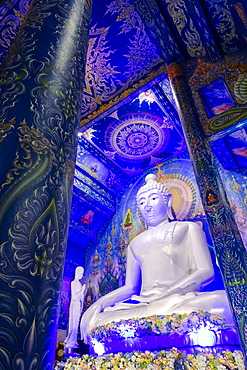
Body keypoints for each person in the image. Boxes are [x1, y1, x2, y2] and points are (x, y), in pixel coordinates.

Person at [80, 174, 234, 343]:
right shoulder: (135, 243)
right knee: (99, 320)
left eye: (153, 198)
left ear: (167, 201)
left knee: (221, 303)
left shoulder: (187, 228)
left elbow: (206, 272)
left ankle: (150, 329)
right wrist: (98, 304)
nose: (147, 206)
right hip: (145, 305)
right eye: (142, 202)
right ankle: (160, 327)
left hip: (180, 301)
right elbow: (130, 288)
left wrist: (171, 292)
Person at [65, 266, 85, 350]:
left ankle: (74, 341)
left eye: (82, 274)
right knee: (73, 323)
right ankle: (71, 341)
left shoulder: (80, 284)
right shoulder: (74, 283)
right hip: (74, 304)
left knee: (76, 324)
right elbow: (74, 296)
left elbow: (81, 298)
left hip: (78, 305)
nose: (81, 275)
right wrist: (82, 290)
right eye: (80, 273)